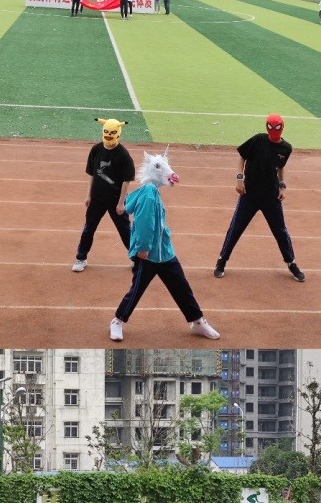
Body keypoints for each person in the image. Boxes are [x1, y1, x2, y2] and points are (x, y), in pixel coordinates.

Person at [110, 152, 221, 342]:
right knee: (137, 289)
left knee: (181, 287)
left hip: (165, 253)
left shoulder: (152, 191)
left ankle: (197, 321)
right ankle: (117, 321)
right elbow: (144, 222)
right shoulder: (149, 193)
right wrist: (143, 247)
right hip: (149, 254)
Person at [214, 114, 302, 281]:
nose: (273, 131)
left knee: (280, 231)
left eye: (276, 128)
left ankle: (291, 263)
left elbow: (280, 168)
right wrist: (239, 179)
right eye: (271, 128)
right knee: (236, 228)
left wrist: (282, 186)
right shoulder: (258, 140)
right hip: (250, 195)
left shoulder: (286, 148)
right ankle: (222, 260)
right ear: (267, 127)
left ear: (282, 128)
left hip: (271, 196)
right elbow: (242, 157)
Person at [73, 118, 134, 271]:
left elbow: (126, 180)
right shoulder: (96, 150)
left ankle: (135, 258)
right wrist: (88, 195)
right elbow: (92, 174)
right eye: (106, 132)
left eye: (112, 132)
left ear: (118, 133)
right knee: (89, 228)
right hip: (97, 198)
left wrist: (121, 203)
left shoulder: (123, 155)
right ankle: (81, 258)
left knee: (125, 230)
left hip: (116, 200)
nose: (108, 135)